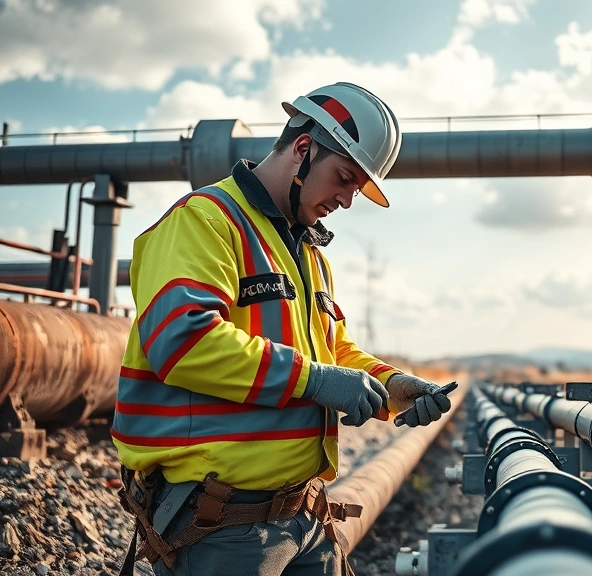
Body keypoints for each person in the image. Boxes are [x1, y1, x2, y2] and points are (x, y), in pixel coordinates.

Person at [111, 82, 452, 576]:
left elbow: (332, 352)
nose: (347, 200)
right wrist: (314, 381)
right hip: (222, 526)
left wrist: (394, 387)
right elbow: (184, 340)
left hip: (306, 517)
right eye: (344, 178)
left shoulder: (308, 254)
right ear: (302, 148)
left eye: (357, 187)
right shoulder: (206, 222)